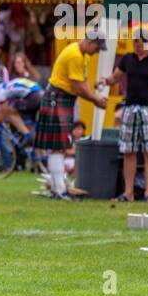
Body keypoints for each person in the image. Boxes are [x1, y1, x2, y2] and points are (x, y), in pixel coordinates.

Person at [35, 32, 108, 199]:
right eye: (97, 47)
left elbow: (83, 83)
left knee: (59, 146)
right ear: (89, 42)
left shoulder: (84, 56)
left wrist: (95, 97)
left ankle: (57, 188)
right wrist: (96, 100)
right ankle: (59, 189)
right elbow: (78, 87)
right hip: (57, 97)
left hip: (63, 98)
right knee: (57, 146)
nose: (97, 51)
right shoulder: (74, 55)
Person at [104, 30, 148, 203]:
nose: (136, 44)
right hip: (130, 108)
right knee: (128, 150)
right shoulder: (128, 59)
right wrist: (104, 81)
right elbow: (115, 77)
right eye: (135, 41)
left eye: (140, 41)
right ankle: (128, 193)